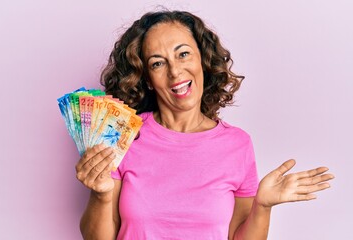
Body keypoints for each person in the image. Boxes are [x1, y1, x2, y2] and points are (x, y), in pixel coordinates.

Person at [75, 10, 334, 239]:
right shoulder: (123, 134)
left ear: (203, 60)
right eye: (157, 63)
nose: (175, 72)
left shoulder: (237, 144)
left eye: (183, 54)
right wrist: (101, 195)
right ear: (147, 79)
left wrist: (262, 207)